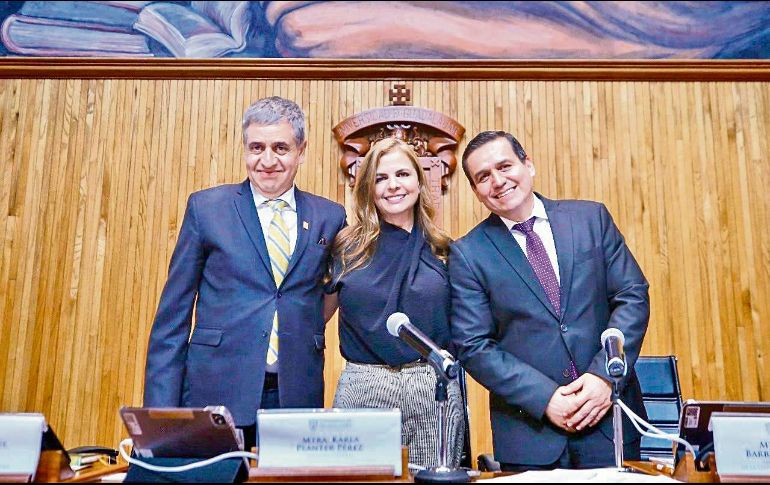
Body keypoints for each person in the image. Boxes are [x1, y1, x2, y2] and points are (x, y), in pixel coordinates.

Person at [143, 96, 346, 450]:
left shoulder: (330, 216)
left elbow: (329, 294)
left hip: (295, 396)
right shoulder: (207, 209)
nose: (267, 161)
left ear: (301, 151)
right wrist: (160, 418)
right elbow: (172, 319)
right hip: (215, 391)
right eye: (256, 147)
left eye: (280, 148)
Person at [450, 130, 650, 470]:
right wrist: (545, 399)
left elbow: (631, 295)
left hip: (610, 419)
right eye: (483, 177)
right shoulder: (468, 254)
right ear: (476, 191)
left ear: (528, 165)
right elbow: (473, 345)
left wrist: (604, 376)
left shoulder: (591, 219)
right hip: (530, 432)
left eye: (505, 166)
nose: (497, 181)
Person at [325, 137, 465, 468]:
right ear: (368, 188)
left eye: (402, 174)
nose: (393, 185)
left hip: (431, 385)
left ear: (419, 181)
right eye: (381, 178)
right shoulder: (345, 248)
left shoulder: (445, 250)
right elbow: (315, 318)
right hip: (365, 384)